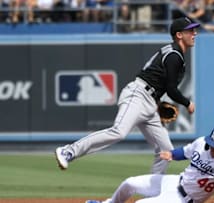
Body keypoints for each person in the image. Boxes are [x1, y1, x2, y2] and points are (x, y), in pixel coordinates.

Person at [55, 17, 199, 174]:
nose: (194, 33)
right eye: (190, 30)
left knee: (165, 150)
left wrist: (157, 103)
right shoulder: (174, 55)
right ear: (179, 34)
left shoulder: (173, 53)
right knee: (119, 131)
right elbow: (171, 89)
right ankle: (69, 151)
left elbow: (161, 83)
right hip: (138, 95)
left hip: (150, 101)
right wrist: (187, 103)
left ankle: (151, 193)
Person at [85, 126, 214, 203]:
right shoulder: (201, 143)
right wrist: (172, 154)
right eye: (211, 143)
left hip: (182, 199)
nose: (212, 148)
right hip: (174, 181)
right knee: (130, 182)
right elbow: (185, 152)